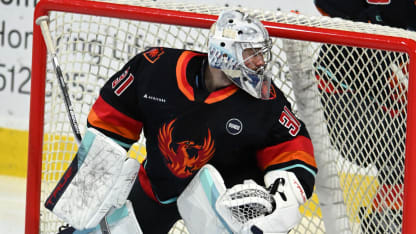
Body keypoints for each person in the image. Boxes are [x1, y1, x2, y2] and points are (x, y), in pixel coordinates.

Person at [47, 9, 317, 234]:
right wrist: (89, 190)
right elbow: (110, 124)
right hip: (157, 188)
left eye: (260, 52)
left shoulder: (266, 101)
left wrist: (281, 200)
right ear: (225, 51)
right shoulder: (155, 68)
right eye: (251, 52)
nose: (260, 61)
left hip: (226, 205)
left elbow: (294, 152)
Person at [313, 0, 413, 232]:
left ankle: (383, 223)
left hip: (380, 106)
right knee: (404, 152)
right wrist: (369, 16)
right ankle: (384, 223)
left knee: (403, 160)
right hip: (340, 97)